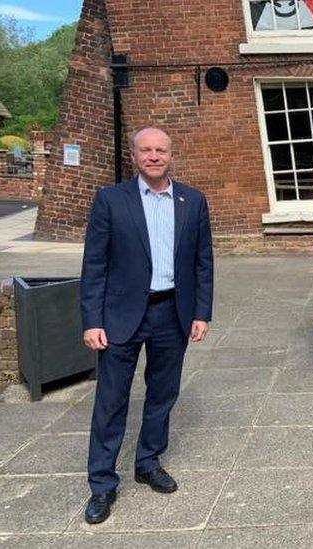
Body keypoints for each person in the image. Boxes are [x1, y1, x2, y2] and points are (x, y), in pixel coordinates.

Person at [80, 127, 213, 524]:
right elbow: (94, 266)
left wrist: (201, 312)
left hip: (172, 312)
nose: (154, 156)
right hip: (120, 316)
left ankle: (148, 461)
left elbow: (203, 262)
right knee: (111, 401)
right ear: (134, 156)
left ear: (171, 155)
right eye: (146, 150)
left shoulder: (193, 201)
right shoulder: (110, 200)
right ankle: (102, 484)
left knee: (162, 394)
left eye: (161, 150)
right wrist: (92, 321)